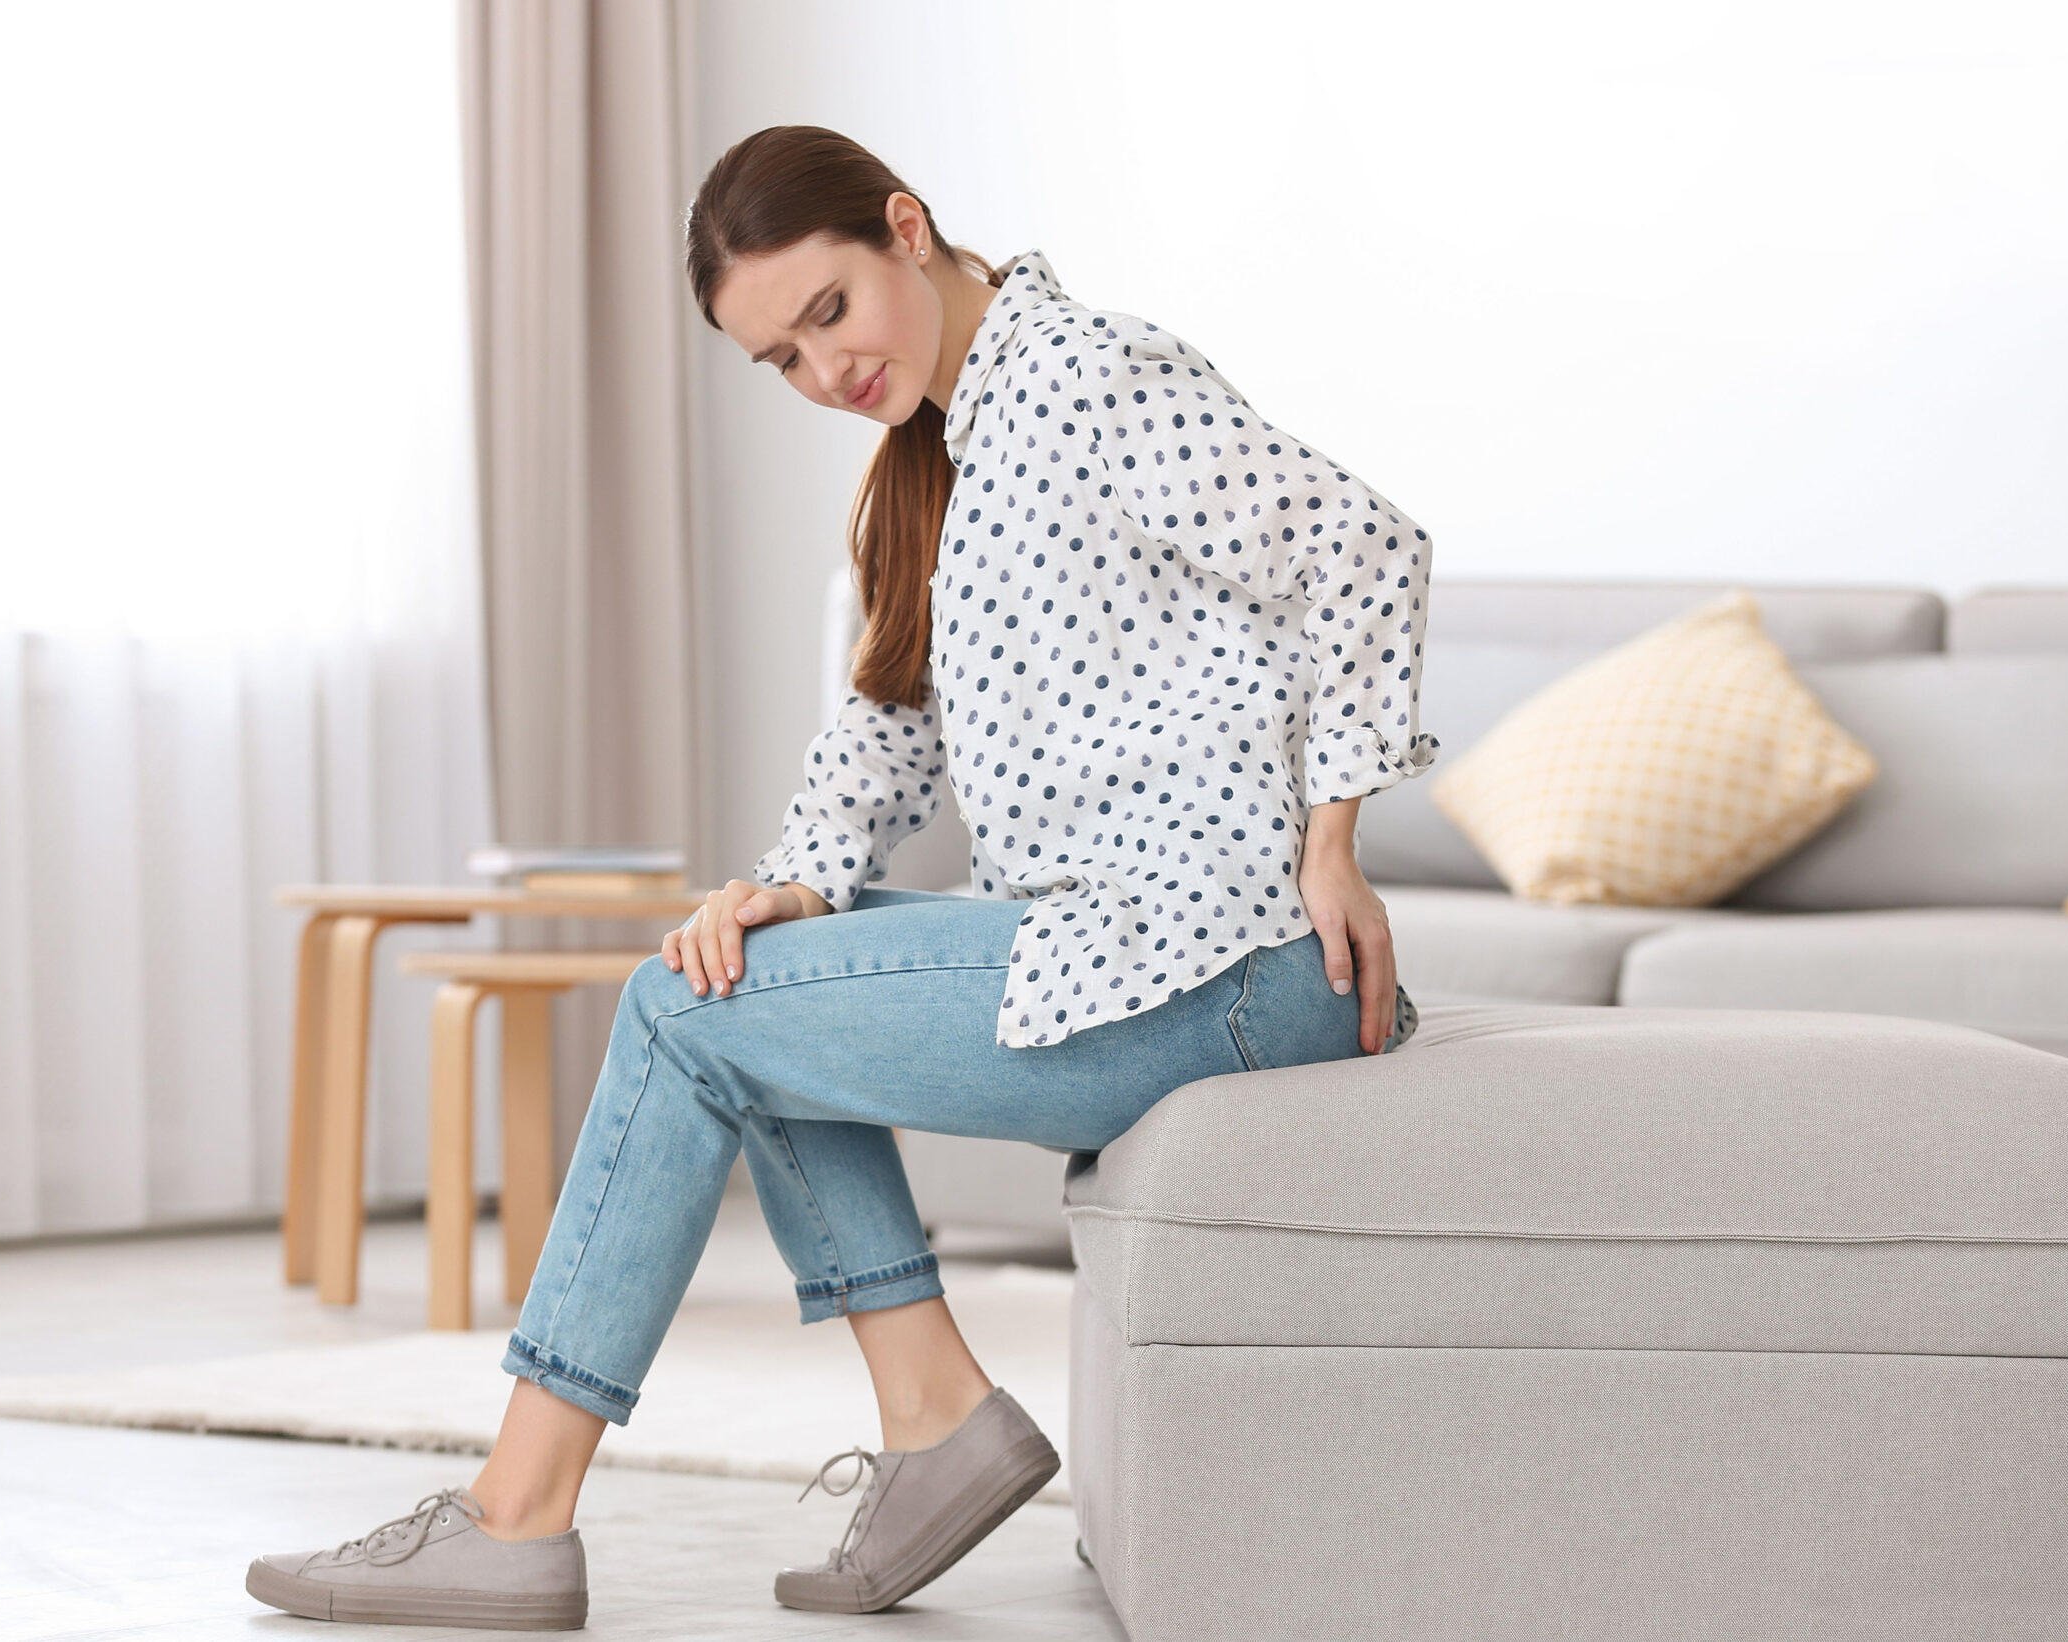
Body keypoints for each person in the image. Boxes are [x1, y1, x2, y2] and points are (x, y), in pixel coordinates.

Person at [245, 124, 1438, 1631]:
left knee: (683, 1015)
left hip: (1220, 964)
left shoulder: (1088, 377)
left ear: (905, 227)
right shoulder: (938, 453)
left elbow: (1368, 548)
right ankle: (928, 1416)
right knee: (729, 978)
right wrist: (788, 887)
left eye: (830, 311)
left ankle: (521, 1512)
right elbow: (886, 723)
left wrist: (1334, 835)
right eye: (782, 359)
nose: (826, 370)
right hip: (1128, 950)